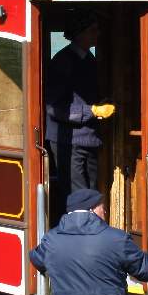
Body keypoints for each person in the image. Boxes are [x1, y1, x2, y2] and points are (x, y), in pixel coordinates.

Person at [44, 17, 113, 208]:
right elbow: (54, 108)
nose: (97, 34)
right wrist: (91, 111)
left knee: (91, 193)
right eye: (93, 30)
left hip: (88, 139)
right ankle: (78, 236)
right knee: (77, 198)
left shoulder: (89, 59)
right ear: (80, 34)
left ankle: (89, 234)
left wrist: (100, 104)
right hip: (68, 142)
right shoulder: (62, 62)